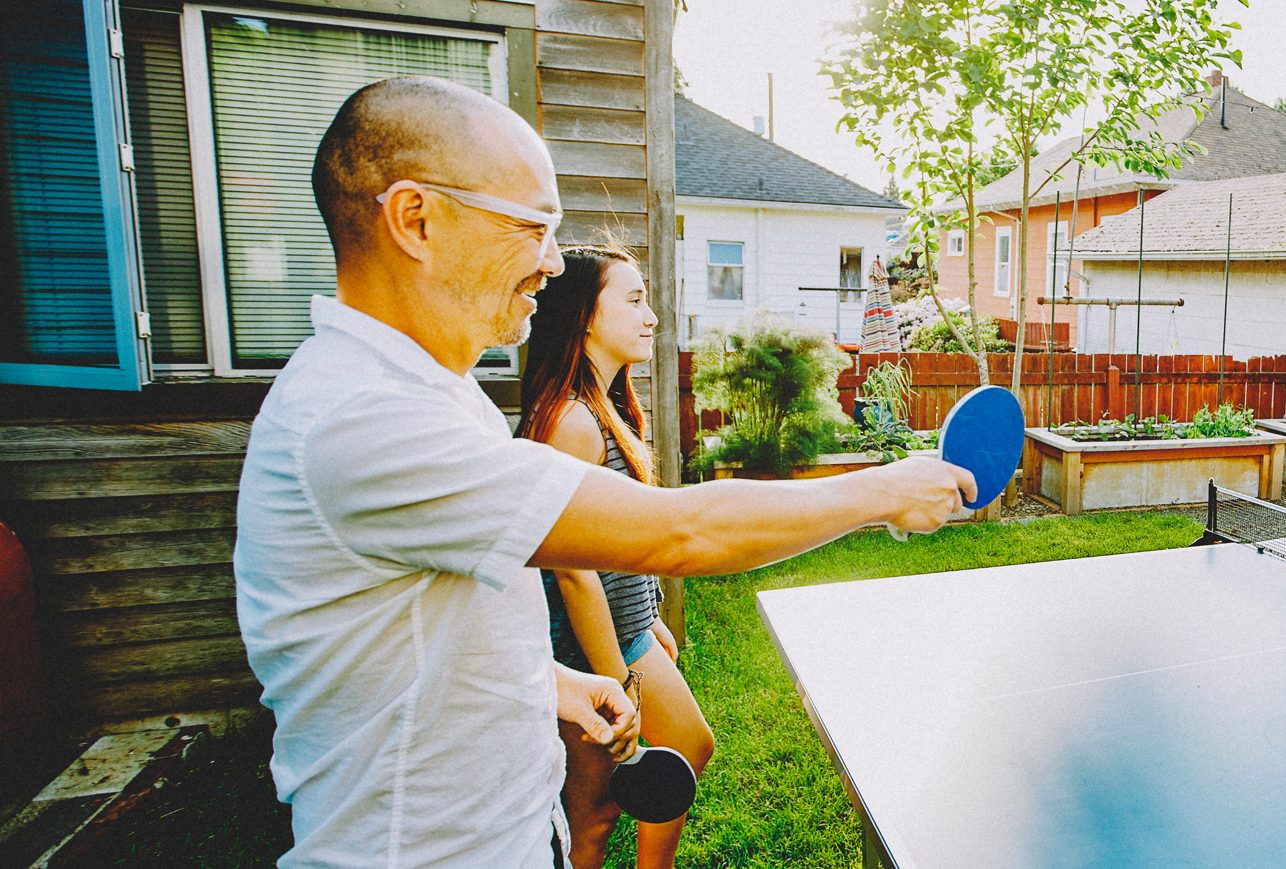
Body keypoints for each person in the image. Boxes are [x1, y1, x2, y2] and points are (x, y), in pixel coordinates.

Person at [235, 76, 972, 868]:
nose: (553, 263)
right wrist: (884, 488)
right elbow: (678, 532)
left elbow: (427, 630)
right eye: (532, 225)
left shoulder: (428, 395)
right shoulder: (363, 417)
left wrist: (549, 681)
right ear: (416, 219)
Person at [516, 246, 710, 868]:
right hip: (584, 649)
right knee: (593, 817)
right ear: (583, 317)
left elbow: (615, 539)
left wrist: (648, 615)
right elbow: (571, 570)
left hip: (626, 629)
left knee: (686, 747)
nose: (651, 316)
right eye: (633, 300)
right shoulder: (570, 421)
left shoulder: (607, 406)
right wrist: (616, 684)